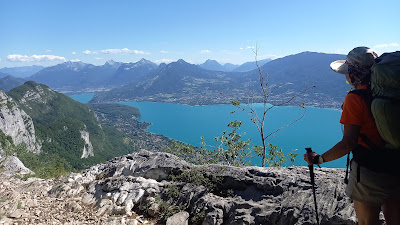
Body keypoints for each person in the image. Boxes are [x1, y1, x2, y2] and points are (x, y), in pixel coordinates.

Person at [304, 47, 400, 225]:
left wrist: (319, 159)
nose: (346, 77)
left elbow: (348, 143)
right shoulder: (389, 93)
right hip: (396, 166)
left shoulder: (355, 98)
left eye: (348, 73)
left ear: (355, 74)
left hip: (370, 172)